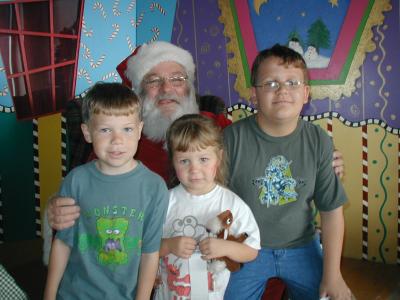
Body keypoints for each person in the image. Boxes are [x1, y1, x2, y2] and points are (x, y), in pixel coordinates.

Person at [46, 41, 345, 232]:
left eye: (177, 79)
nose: (167, 89)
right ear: (138, 92)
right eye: (153, 80)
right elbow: (84, 188)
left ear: (189, 87)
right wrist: (58, 210)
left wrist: (321, 163)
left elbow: (264, 150)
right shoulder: (117, 138)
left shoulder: (217, 127)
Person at [223, 44, 352, 300]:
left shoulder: (319, 141)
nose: (282, 90)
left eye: (292, 83)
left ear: (306, 93)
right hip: (246, 246)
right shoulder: (230, 140)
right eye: (270, 83)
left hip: (301, 246)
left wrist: (333, 274)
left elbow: (331, 212)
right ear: (253, 94)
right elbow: (211, 198)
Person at [43, 82, 169, 300]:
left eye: (127, 129)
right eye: (105, 129)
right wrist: (49, 294)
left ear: (139, 130)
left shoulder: (154, 187)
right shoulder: (76, 180)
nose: (117, 140)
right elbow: (63, 242)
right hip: (74, 294)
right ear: (87, 132)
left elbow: (150, 253)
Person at [154, 114, 260, 299]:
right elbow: (146, 247)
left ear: (218, 157)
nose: (194, 169)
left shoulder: (232, 204)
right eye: (184, 161)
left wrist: (225, 248)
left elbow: (251, 250)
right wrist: (169, 245)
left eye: (203, 159)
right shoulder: (165, 201)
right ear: (173, 161)